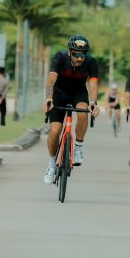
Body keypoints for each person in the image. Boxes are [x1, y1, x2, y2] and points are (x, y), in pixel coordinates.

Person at [42, 35, 100, 184]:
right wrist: (49, 98)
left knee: (83, 112)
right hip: (59, 94)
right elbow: (51, 80)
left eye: (83, 55)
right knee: (55, 131)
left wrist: (93, 102)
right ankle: (51, 164)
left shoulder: (91, 62)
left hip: (78, 93)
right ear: (69, 52)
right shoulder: (60, 57)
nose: (80, 59)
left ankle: (78, 149)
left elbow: (93, 85)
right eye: (76, 55)